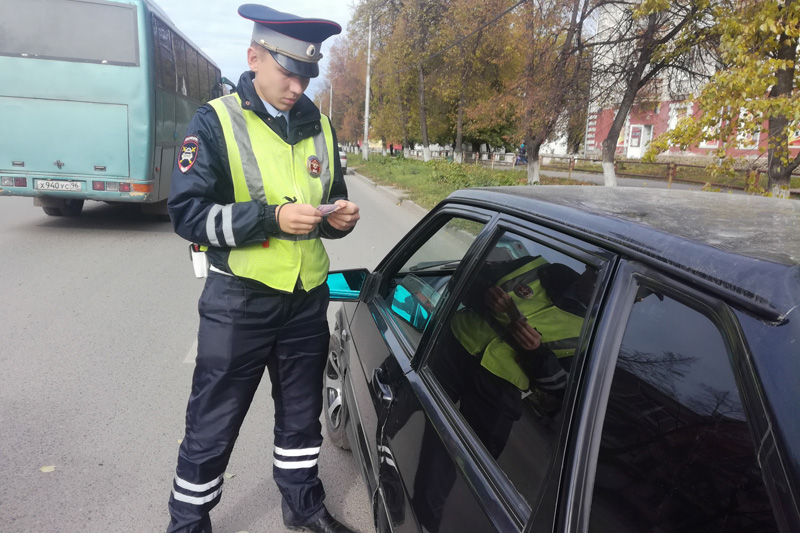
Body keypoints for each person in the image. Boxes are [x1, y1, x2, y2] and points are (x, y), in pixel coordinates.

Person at [165, 5, 360, 533]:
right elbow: (187, 214)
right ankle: (187, 521)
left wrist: (339, 218)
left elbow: (329, 199)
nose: (298, 85)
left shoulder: (319, 123)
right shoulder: (215, 119)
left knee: (301, 419)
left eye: (306, 75)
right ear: (254, 58)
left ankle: (303, 508)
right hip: (240, 300)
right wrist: (270, 219)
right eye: (287, 72)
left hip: (305, 298)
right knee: (213, 422)